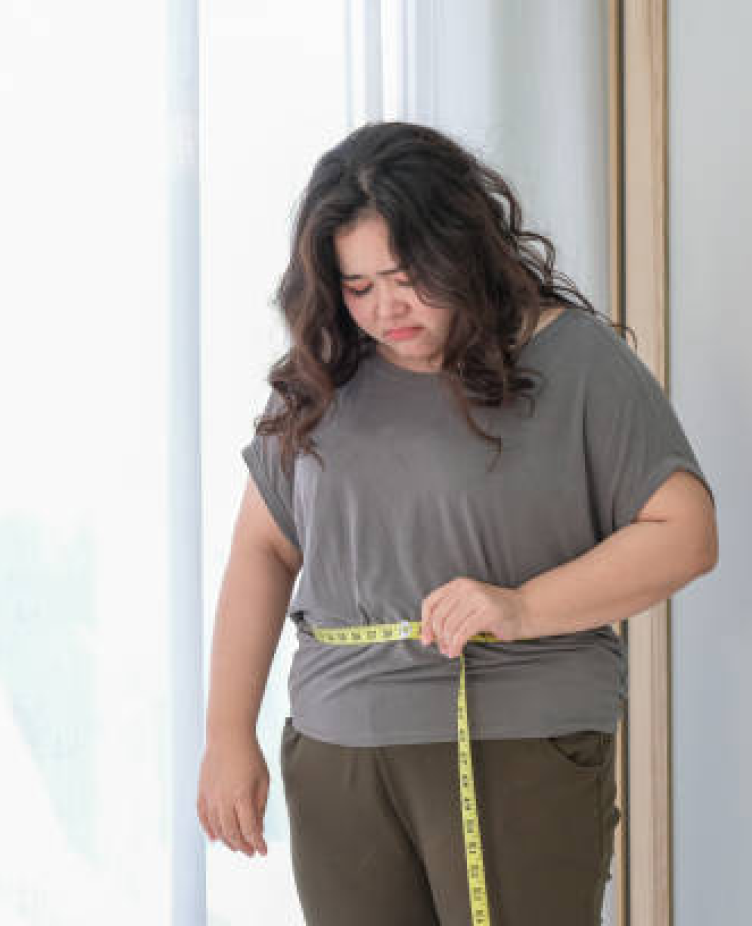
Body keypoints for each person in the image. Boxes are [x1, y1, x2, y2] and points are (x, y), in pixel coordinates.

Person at [196, 120, 718, 926]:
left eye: (406, 276)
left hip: (516, 736)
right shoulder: (322, 373)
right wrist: (229, 734)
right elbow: (265, 546)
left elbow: (685, 532)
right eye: (358, 285)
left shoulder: (573, 361)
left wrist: (520, 608)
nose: (385, 308)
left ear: (462, 249)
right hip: (339, 747)